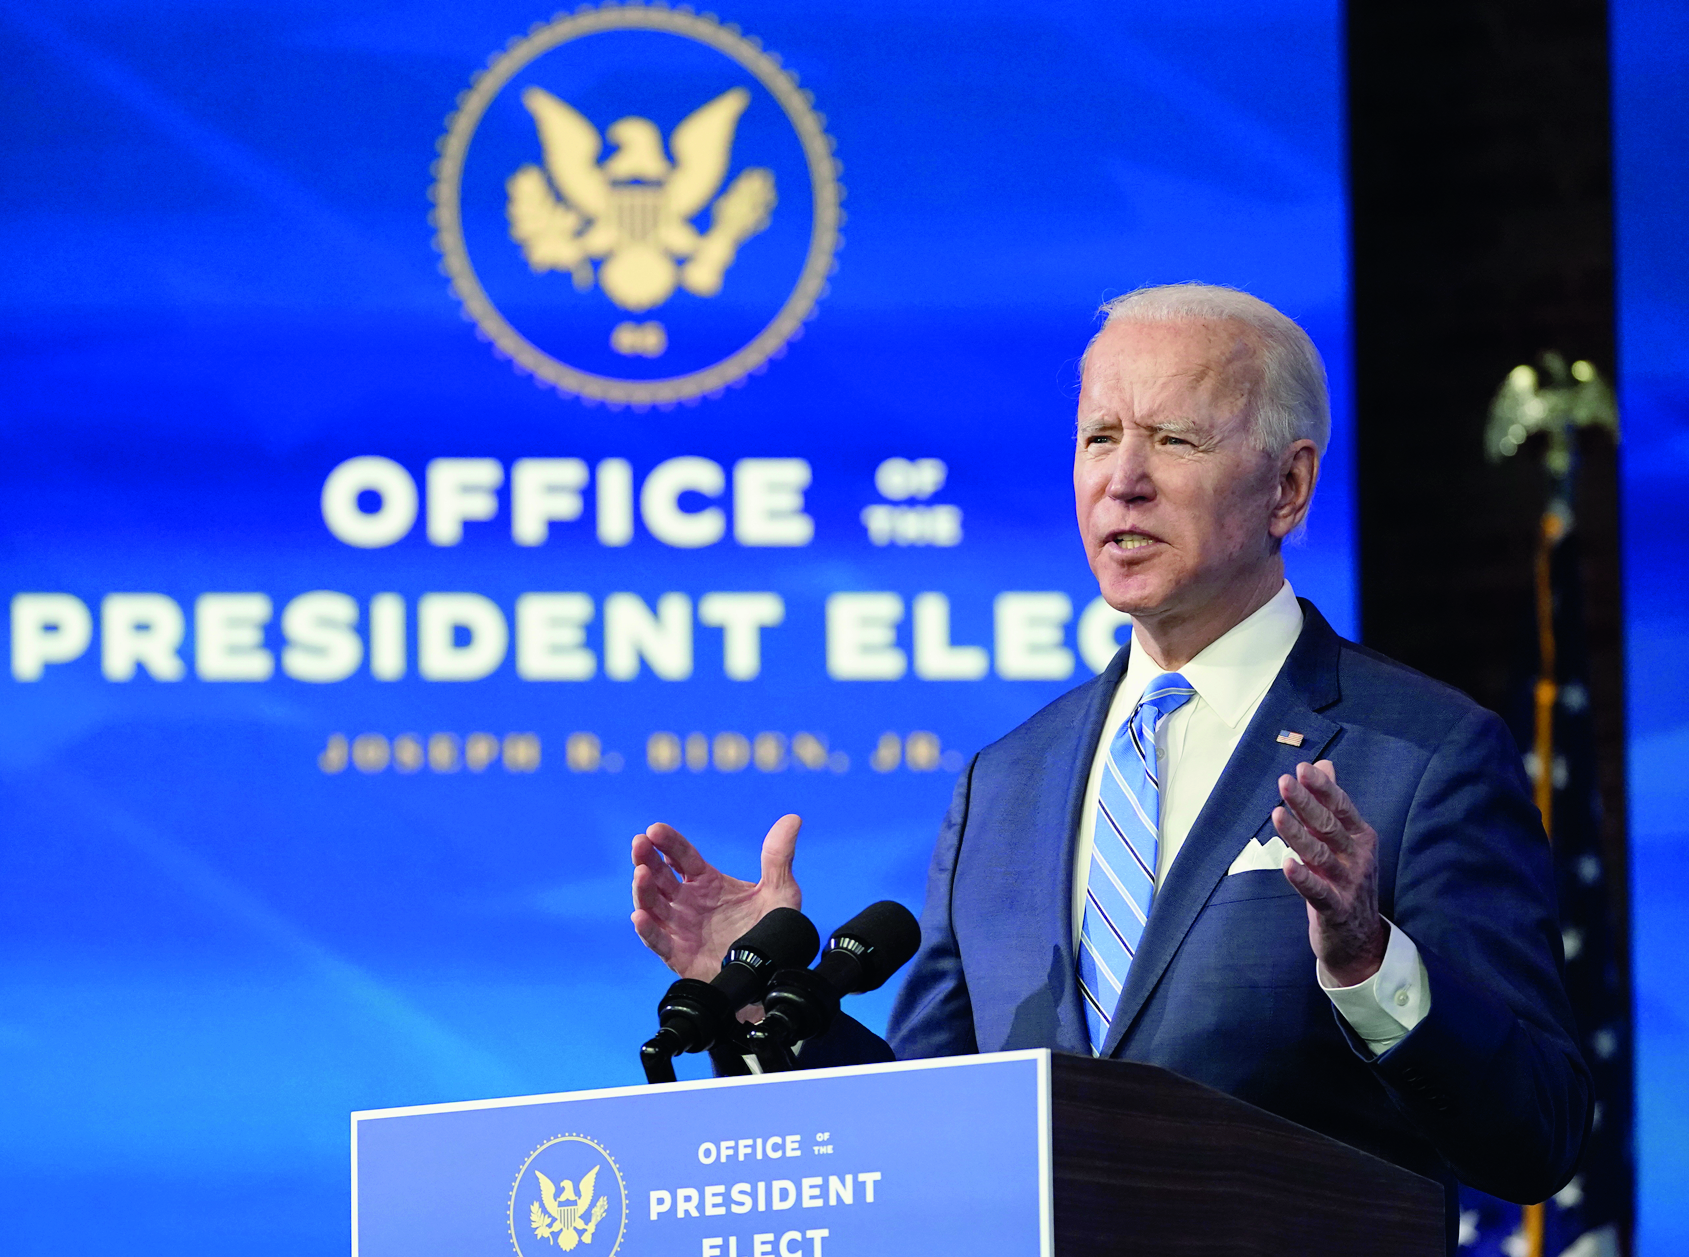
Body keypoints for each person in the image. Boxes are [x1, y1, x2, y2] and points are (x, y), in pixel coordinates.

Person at [630, 283, 1589, 1244]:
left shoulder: (1423, 755)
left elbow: (1536, 1133)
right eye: (1099, 438)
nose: (1122, 480)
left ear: (1287, 488)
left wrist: (1370, 965)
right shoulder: (1002, 783)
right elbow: (924, 1124)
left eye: (1173, 439)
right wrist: (765, 1005)